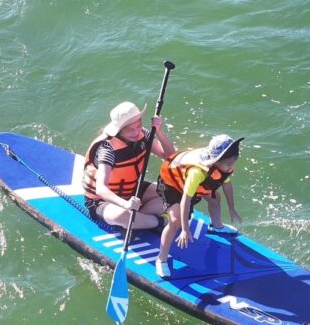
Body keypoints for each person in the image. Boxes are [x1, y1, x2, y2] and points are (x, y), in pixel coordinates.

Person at [154, 134, 243, 277]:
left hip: (192, 186)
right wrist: (184, 229)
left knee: (215, 198)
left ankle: (216, 226)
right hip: (172, 186)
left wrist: (232, 209)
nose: (231, 167)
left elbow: (227, 186)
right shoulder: (197, 172)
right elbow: (185, 200)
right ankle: (161, 259)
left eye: (233, 163)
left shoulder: (225, 167)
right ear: (216, 161)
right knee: (175, 220)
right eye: (228, 164)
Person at [82, 101, 176, 229]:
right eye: (130, 130)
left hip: (131, 191)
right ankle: (158, 222)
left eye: (139, 126)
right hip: (103, 201)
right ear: (119, 130)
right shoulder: (107, 150)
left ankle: (138, 220)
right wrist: (125, 204)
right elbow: (101, 189)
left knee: (173, 193)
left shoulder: (143, 134)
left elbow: (169, 156)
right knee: (121, 215)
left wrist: (159, 132)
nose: (137, 132)